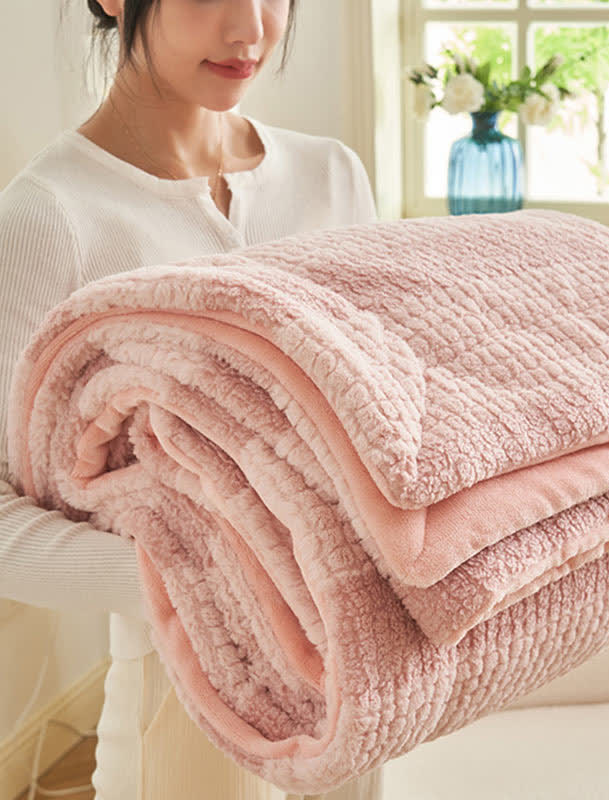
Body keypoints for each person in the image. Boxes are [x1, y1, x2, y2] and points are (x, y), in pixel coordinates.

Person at [0, 1, 378, 797]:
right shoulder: (50, 217)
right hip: (185, 719)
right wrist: (207, 581)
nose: (251, 29)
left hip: (356, 697)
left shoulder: (332, 178)